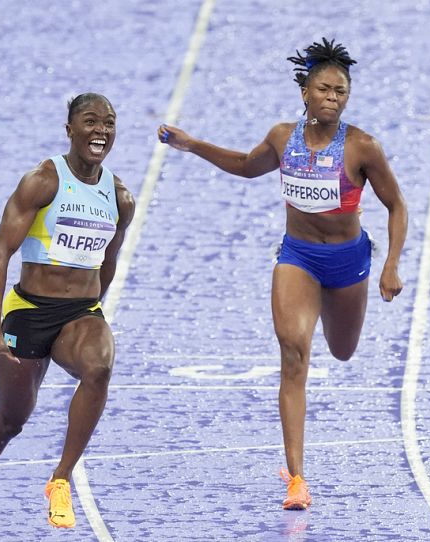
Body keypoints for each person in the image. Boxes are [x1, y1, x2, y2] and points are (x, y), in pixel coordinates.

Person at [158, 38, 407, 510]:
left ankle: (333, 305)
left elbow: (396, 205)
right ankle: (297, 478)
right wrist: (192, 145)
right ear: (305, 92)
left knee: (343, 350)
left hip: (348, 261)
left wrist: (390, 264)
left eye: (341, 92)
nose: (332, 98)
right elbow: (244, 166)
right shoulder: (281, 138)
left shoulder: (362, 147)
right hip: (299, 258)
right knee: (293, 355)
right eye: (324, 89)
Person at [0, 93, 135, 531]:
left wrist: (94, 311)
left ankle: (60, 479)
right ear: (70, 129)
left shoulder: (120, 199)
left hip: (81, 313)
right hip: (29, 312)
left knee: (99, 368)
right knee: (11, 420)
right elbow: (0, 253)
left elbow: (109, 260)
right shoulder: (42, 182)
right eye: (90, 121)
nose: (101, 130)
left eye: (109, 123)